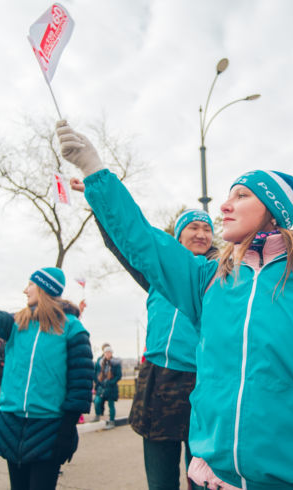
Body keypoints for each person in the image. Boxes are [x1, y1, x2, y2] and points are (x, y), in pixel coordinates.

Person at [56, 121, 293, 489]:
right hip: (214, 482)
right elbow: (141, 240)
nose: (224, 205)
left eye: (241, 196)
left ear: (273, 208)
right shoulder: (208, 280)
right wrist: (95, 170)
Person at [75, 177, 217, 490]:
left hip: (204, 382)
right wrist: (99, 205)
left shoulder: (220, 274)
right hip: (160, 381)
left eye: (207, 229)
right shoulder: (155, 275)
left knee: (204, 479)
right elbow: (121, 242)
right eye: (194, 227)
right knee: (161, 480)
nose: (202, 234)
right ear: (177, 236)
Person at [0, 245, 94, 490]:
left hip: (49, 428)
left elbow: (80, 384)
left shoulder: (73, 329)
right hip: (11, 425)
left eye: (30, 284)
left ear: (42, 288)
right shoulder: (15, 323)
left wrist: (66, 431)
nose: (25, 290)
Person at [93, 345, 122, 429]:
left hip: (111, 387)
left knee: (111, 405)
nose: (107, 354)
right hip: (101, 386)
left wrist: (111, 382)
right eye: (106, 352)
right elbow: (96, 373)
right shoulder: (100, 362)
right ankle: (97, 415)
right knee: (97, 401)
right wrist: (98, 382)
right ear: (104, 353)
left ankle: (112, 421)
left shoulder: (115, 363)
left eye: (109, 352)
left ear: (111, 353)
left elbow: (118, 375)